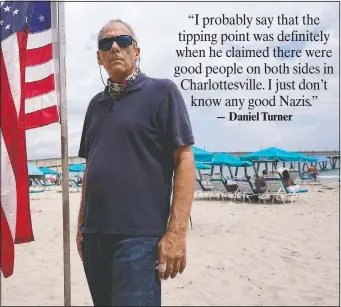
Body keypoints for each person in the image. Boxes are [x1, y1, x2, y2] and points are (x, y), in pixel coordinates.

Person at [76, 19, 196, 306]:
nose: (115, 47)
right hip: (94, 238)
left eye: (123, 41)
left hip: (139, 239)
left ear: (137, 50)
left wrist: (177, 233)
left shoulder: (162, 92)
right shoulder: (95, 105)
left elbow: (185, 161)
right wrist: (81, 226)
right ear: (99, 57)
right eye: (106, 43)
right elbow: (90, 168)